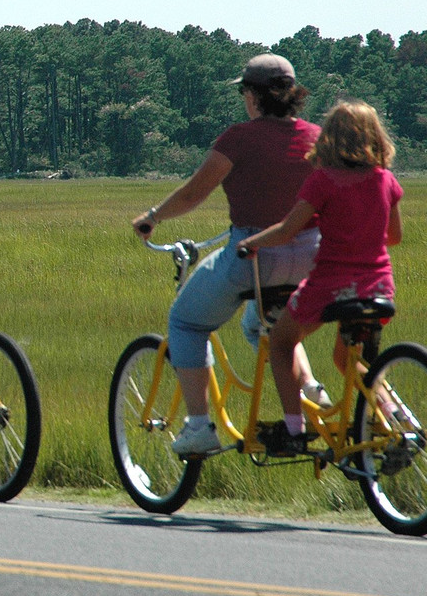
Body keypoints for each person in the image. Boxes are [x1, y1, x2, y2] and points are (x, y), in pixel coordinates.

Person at [131, 53, 329, 456]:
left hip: (253, 257)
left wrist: (152, 217)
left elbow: (193, 193)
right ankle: (311, 389)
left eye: (244, 90)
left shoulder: (238, 138)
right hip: (312, 257)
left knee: (185, 321)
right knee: (265, 324)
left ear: (253, 95)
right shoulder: (318, 137)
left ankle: (200, 425)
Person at [240, 100, 403, 453]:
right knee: (348, 361)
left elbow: (287, 230)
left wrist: (251, 243)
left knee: (281, 342)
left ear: (329, 137)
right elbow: (394, 237)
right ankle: (394, 418)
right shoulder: (386, 180)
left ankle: (294, 428)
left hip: (330, 286)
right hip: (378, 286)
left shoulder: (323, 180)